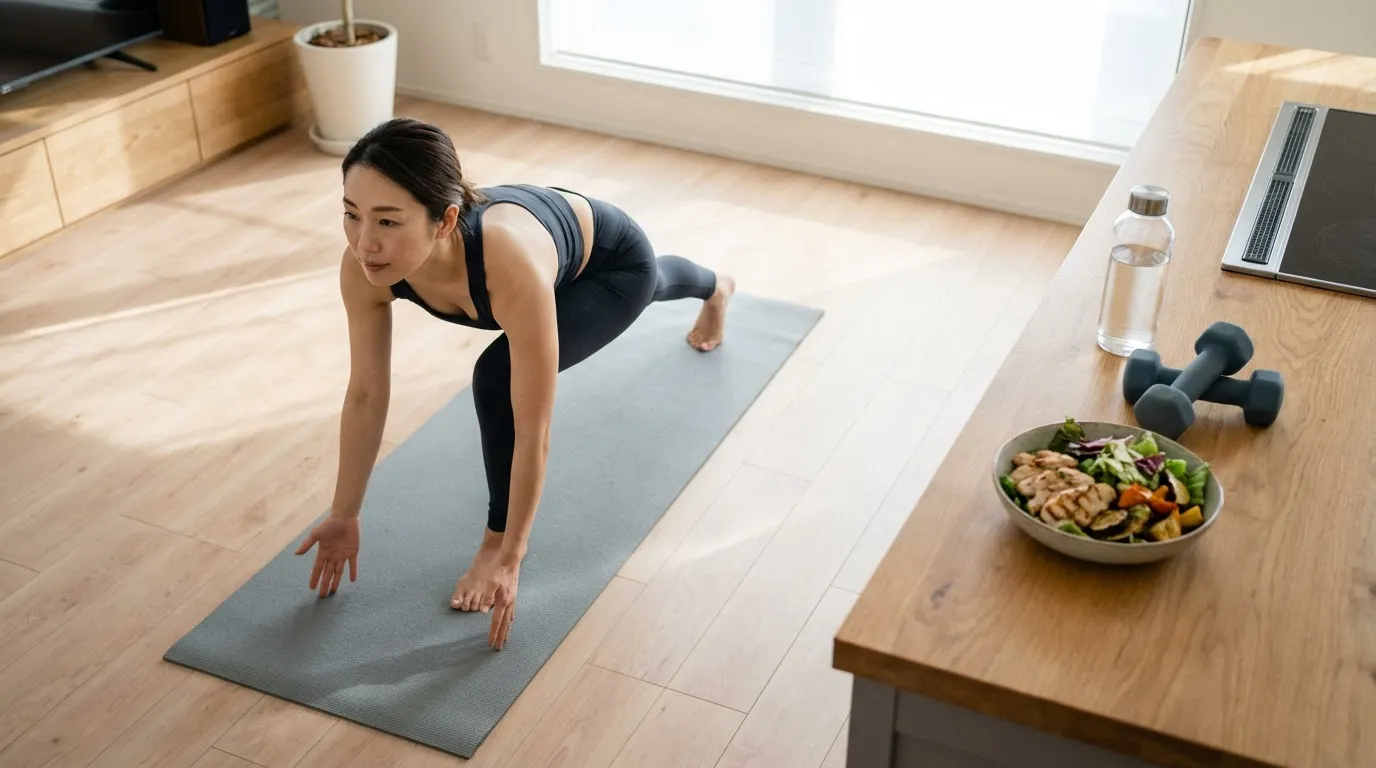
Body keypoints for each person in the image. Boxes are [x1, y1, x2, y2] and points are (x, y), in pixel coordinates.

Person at [293, 117, 734, 650]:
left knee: (621, 300)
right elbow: (365, 393)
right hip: (543, 238)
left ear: (443, 221)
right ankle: (719, 287)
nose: (365, 243)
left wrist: (509, 556)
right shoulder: (363, 265)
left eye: (388, 222)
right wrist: (344, 513)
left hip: (610, 262)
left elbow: (534, 426)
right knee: (511, 362)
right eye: (351, 214)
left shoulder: (506, 263)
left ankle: (716, 287)